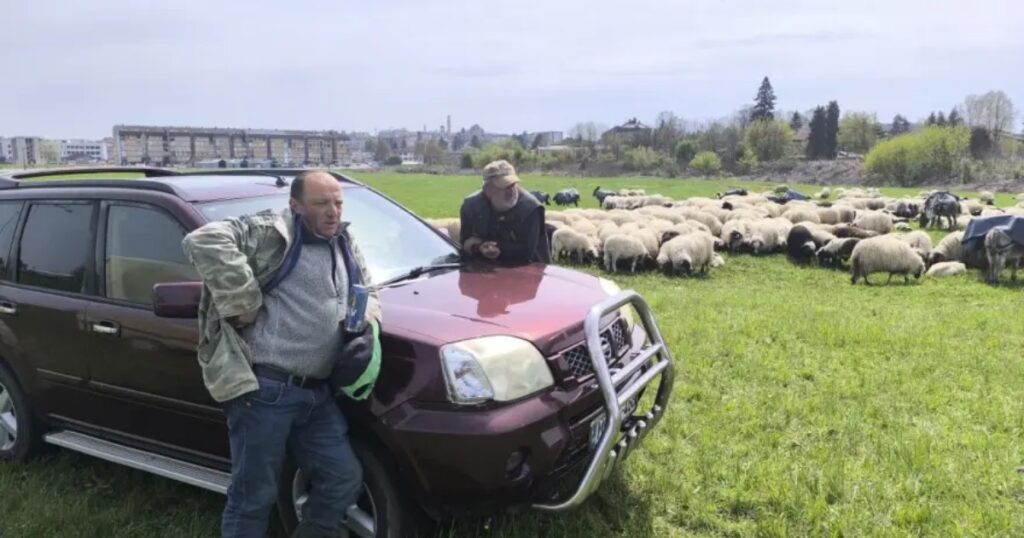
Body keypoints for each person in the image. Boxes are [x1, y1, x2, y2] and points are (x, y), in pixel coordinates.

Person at [182, 170, 382, 538]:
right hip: (266, 392)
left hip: (317, 395)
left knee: (343, 478)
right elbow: (204, 238)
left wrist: (366, 326)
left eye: (338, 202)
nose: (333, 211)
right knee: (253, 496)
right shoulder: (271, 234)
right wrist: (241, 298)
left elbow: (366, 290)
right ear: (295, 205)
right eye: (322, 203)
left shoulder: (343, 241)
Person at [459, 159, 550, 264]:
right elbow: (465, 241)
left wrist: (495, 248)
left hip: (527, 272)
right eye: (505, 186)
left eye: (513, 185)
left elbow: (526, 251)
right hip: (480, 271)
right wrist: (478, 247)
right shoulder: (470, 207)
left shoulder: (531, 209)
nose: (511, 191)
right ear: (488, 190)